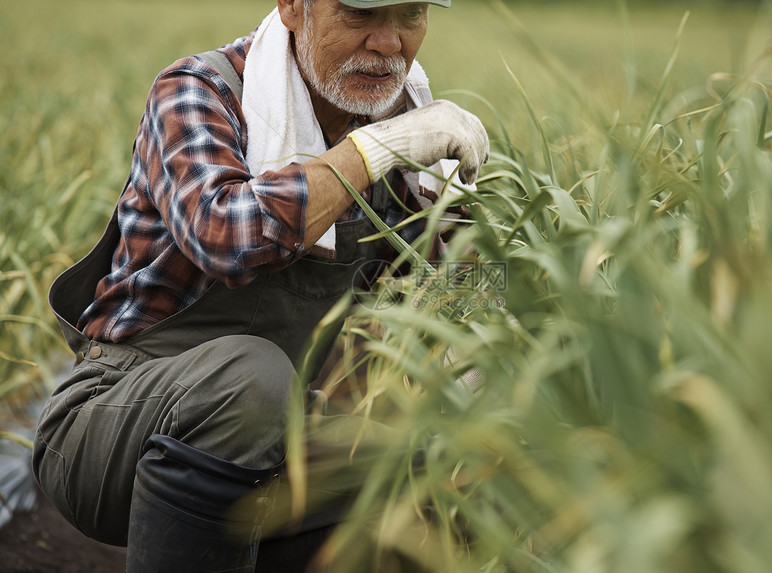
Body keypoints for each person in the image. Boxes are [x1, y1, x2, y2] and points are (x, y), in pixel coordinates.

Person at [31, 0, 489, 570]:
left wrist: (484, 335)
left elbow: (443, 279)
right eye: (360, 14)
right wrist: (366, 155)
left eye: (410, 15)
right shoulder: (198, 93)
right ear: (295, 7)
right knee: (251, 382)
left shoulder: (400, 131)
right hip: (112, 423)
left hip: (276, 430)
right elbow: (225, 232)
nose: (388, 42)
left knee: (435, 445)